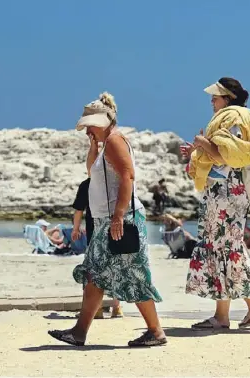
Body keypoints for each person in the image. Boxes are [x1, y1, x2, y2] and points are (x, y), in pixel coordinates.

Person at [48, 92, 166, 347]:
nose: (87, 129)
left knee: (131, 275)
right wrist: (94, 147)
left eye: (90, 124)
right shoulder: (106, 144)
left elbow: (128, 176)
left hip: (120, 219)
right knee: (96, 274)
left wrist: (119, 217)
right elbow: (92, 173)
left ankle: (155, 332)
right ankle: (79, 332)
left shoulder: (115, 141)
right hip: (108, 220)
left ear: (102, 121)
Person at [180, 77, 250, 330]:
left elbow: (231, 157)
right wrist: (196, 153)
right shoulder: (241, 116)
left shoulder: (234, 118)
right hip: (228, 192)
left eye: (215, 96)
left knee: (224, 247)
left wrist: (202, 143)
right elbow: (224, 155)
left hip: (226, 194)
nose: (212, 100)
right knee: (221, 248)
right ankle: (226, 315)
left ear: (228, 97)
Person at [72, 177, 123, 319]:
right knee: (114, 268)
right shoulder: (115, 182)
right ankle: (117, 308)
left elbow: (78, 210)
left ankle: (98, 309)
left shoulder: (87, 184)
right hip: (115, 231)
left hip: (94, 233)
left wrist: (75, 229)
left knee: (93, 271)